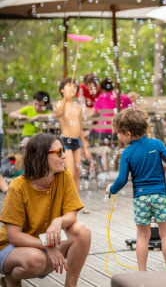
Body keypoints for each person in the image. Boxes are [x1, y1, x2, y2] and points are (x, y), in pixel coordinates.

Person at [0, 133, 91, 287]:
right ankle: (12, 278)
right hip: (12, 248)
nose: (64, 156)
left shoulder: (64, 176)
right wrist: (48, 246)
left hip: (45, 242)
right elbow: (14, 236)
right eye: (58, 152)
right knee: (37, 260)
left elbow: (71, 215)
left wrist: (58, 221)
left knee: (82, 231)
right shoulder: (17, 186)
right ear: (40, 156)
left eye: (63, 151)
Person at [105, 108, 166, 271]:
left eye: (118, 133)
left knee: (142, 236)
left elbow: (122, 180)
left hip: (141, 199)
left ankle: (142, 271)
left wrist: (111, 189)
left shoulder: (127, 153)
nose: (118, 136)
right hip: (161, 197)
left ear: (127, 133)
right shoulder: (156, 144)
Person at [56, 78, 91, 214]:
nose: (73, 88)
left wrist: (85, 148)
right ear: (62, 90)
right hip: (65, 141)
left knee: (77, 172)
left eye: (75, 87)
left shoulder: (77, 107)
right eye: (69, 86)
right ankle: (67, 203)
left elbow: (80, 128)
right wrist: (66, 99)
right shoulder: (61, 104)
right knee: (69, 173)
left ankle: (76, 203)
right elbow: (58, 113)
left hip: (76, 142)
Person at [92, 77, 132, 145]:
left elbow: (93, 113)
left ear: (101, 89)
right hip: (120, 134)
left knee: (88, 135)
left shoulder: (101, 97)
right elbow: (133, 112)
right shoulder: (125, 97)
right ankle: (118, 154)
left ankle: (103, 154)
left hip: (102, 134)